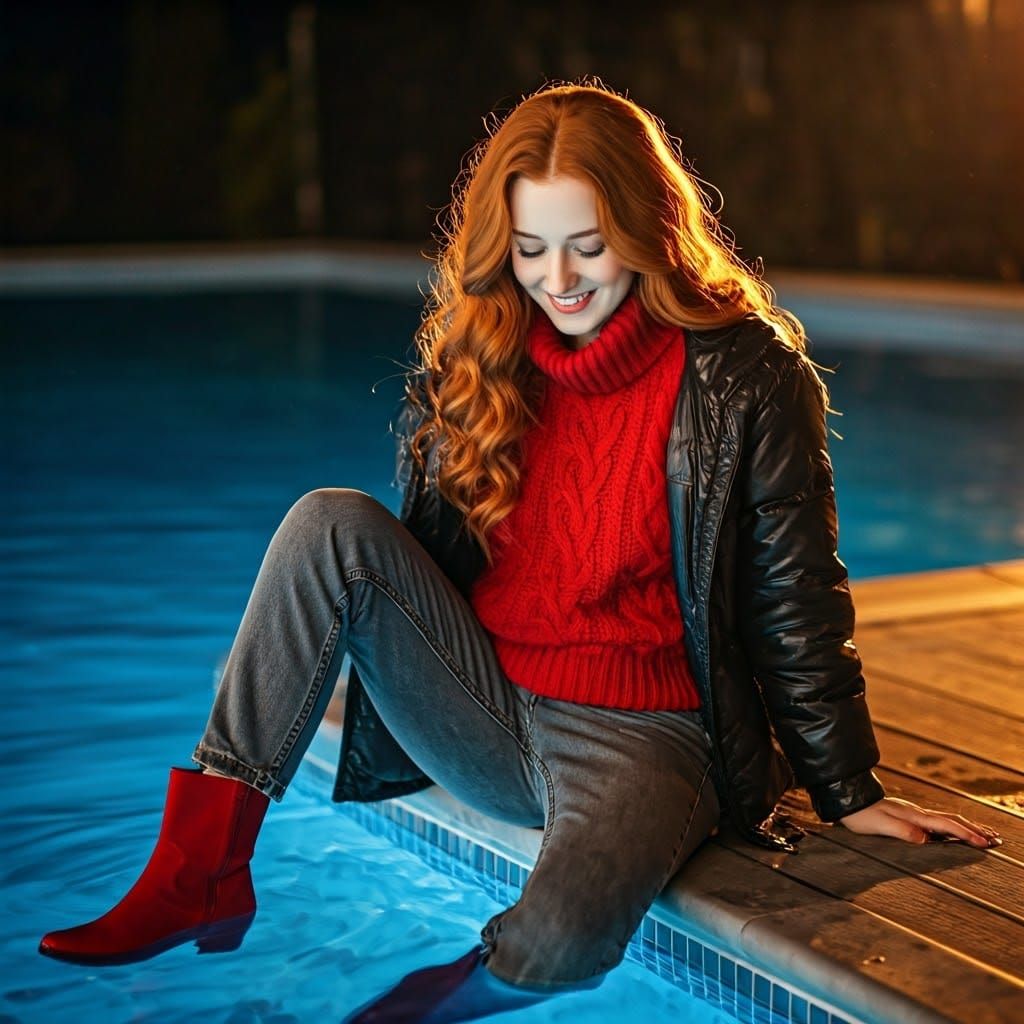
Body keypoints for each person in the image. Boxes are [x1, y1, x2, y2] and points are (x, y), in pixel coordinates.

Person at [37, 80, 1001, 1023]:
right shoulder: (485, 350)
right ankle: (199, 871)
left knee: (560, 949)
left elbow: (798, 593)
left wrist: (848, 789)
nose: (560, 279)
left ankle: (418, 1007)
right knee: (328, 521)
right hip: (486, 707)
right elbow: (415, 570)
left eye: (589, 245)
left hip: (652, 735)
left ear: (649, 228)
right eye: (533, 249)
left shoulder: (747, 373)